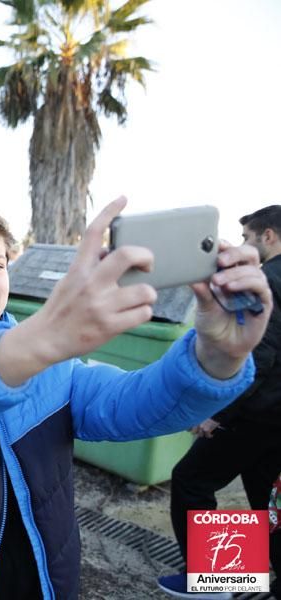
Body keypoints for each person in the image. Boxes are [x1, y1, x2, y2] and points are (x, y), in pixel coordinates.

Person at [0, 202, 270, 599]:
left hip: (46, 583)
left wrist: (219, 355)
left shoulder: (57, 369)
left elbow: (133, 403)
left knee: (221, 493)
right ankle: (231, 580)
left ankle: (229, 582)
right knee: (205, 485)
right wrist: (41, 341)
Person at [158, 205, 281, 599]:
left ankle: (216, 582)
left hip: (255, 414)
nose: (245, 244)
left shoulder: (268, 280)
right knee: (267, 498)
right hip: (275, 418)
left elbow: (258, 356)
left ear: (269, 236)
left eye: (247, 237)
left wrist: (218, 412)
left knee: (192, 480)